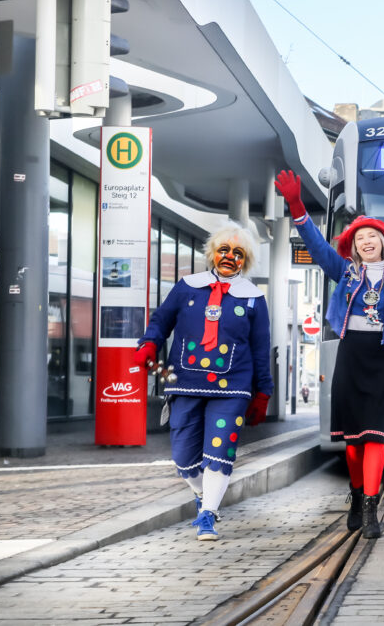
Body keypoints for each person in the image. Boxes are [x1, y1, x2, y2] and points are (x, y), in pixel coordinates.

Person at [275, 170, 384, 539]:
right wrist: (296, 206)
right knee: (353, 442)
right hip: (351, 357)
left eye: (373, 235)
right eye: (360, 237)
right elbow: (319, 247)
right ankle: (356, 496)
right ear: (353, 246)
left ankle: (370, 509)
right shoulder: (345, 272)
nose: (367, 241)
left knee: (375, 437)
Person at [133, 221, 272, 541]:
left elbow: (261, 349)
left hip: (233, 387)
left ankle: (208, 513)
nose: (229, 257)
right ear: (213, 253)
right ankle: (201, 494)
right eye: (224, 250)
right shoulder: (187, 286)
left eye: (238, 253)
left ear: (245, 260)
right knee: (183, 457)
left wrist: (263, 392)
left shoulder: (253, 298)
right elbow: (161, 321)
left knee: (220, 451)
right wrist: (150, 342)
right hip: (185, 382)